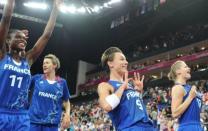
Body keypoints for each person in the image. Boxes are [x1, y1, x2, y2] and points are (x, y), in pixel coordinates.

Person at [0, 0, 60, 130]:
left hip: (21, 115)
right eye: (18, 37)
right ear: (8, 40)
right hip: (1, 112)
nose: (23, 40)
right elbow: (6, 19)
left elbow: (46, 36)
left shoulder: (28, 59)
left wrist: (55, 9)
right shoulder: (2, 55)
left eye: (24, 38)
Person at [98, 47, 154, 131]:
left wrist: (139, 92)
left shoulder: (129, 85)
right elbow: (107, 105)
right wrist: (122, 87)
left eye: (126, 60)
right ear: (110, 64)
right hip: (129, 128)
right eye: (122, 59)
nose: (126, 62)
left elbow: (135, 109)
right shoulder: (105, 85)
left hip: (148, 127)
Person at [29, 54, 70, 131]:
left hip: (51, 124)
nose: (44, 65)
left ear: (54, 65)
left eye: (47, 63)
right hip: (34, 122)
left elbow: (66, 101)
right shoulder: (36, 78)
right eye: (43, 63)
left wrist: (67, 114)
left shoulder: (62, 82)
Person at [168, 60, 202, 131]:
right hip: (188, 127)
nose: (189, 68)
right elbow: (174, 113)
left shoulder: (189, 88)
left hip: (197, 125)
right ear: (178, 71)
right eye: (186, 67)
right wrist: (190, 97)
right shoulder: (178, 87)